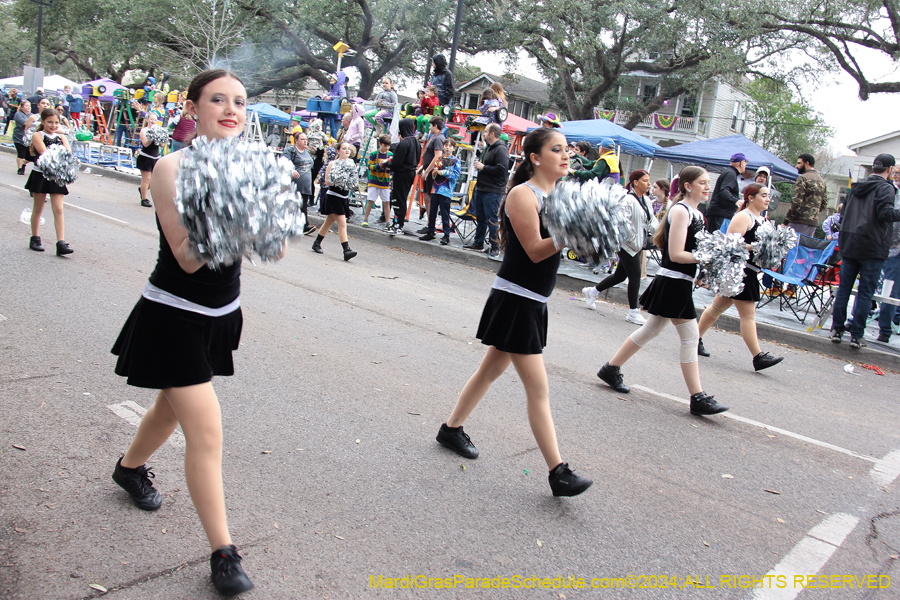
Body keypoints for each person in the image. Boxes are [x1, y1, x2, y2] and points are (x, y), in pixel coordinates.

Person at [109, 69, 255, 597]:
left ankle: (129, 468)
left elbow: (275, 247)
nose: (230, 108)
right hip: (173, 314)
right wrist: (239, 207)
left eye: (239, 100)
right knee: (206, 429)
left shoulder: (245, 165)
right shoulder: (175, 166)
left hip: (222, 315)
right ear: (194, 107)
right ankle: (223, 553)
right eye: (217, 99)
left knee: (170, 410)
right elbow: (189, 258)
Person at [435, 127, 593, 497]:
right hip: (517, 298)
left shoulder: (560, 195)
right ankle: (558, 472)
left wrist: (590, 237)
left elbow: (562, 250)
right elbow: (537, 250)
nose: (566, 155)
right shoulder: (524, 195)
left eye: (567, 149)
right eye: (557, 150)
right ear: (535, 157)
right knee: (538, 389)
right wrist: (573, 232)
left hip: (533, 300)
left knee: (489, 370)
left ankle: (451, 429)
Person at [596, 166, 728, 417]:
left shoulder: (695, 212)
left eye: (708, 182)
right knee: (690, 337)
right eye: (702, 182)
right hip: (674, 281)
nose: (707, 187)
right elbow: (677, 254)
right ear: (688, 186)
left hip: (680, 281)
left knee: (651, 329)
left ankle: (610, 368)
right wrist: (708, 257)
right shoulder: (680, 211)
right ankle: (697, 397)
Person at [696, 184, 785, 370]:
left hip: (749, 269)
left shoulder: (761, 219)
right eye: (764, 195)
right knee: (748, 315)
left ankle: (693, 340)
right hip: (740, 270)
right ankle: (758, 356)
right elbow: (729, 244)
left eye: (769, 196)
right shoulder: (744, 216)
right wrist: (755, 247)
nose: (768, 199)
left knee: (716, 308)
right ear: (751, 197)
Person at [830, 154, 900, 348]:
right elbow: (885, 213)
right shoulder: (886, 188)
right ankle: (856, 335)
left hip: (850, 242)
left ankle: (836, 329)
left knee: (844, 289)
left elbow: (843, 214)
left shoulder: (857, 186)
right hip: (872, 245)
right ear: (890, 169)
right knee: (865, 292)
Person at [583, 170, 657, 324]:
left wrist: (660, 235)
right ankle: (633, 312)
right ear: (635, 182)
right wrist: (630, 240)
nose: (648, 184)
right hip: (627, 245)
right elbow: (622, 222)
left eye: (649, 180)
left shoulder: (646, 200)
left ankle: (592, 292)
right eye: (645, 180)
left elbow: (652, 222)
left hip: (637, 245)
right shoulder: (628, 200)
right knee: (635, 277)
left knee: (620, 276)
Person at [26, 107, 74, 256]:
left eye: (56, 123)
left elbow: (68, 154)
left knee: (58, 209)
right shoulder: (37, 135)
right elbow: (45, 153)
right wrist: (60, 155)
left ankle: (61, 242)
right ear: (42, 121)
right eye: (50, 122)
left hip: (56, 177)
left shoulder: (62, 137)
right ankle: (35, 238)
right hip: (40, 174)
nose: (53, 126)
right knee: (38, 208)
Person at [464, 123, 510, 257]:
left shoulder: (501, 149)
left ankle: (495, 246)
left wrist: (483, 167)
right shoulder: (488, 148)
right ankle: (478, 242)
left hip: (493, 189)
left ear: (492, 134)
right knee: (481, 217)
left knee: (492, 219)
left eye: (485, 132)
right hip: (482, 187)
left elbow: (502, 169)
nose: (483, 134)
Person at [311, 141, 359, 260]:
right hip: (334, 196)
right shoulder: (332, 164)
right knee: (342, 223)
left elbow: (354, 182)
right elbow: (327, 182)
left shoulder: (351, 165)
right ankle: (346, 250)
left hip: (344, 197)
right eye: (344, 148)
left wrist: (350, 182)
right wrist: (339, 180)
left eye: (348, 149)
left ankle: (316, 243)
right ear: (338, 151)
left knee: (328, 222)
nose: (347, 150)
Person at [383, 118, 420, 235]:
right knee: (402, 198)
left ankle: (398, 224)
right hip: (411, 172)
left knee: (397, 199)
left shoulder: (403, 143)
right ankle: (398, 223)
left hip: (401, 173)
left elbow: (396, 163)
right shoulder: (416, 142)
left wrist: (386, 164)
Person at [420, 137, 461, 244]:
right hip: (435, 189)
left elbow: (456, 175)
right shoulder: (439, 159)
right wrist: (434, 173)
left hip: (446, 191)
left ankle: (446, 235)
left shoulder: (455, 161)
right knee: (432, 212)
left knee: (444, 213)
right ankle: (430, 231)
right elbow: (434, 173)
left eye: (450, 146)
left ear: (454, 148)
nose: (447, 148)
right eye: (446, 145)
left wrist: (445, 173)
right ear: (443, 147)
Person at [282, 131, 318, 236]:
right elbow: (284, 162)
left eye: (306, 139)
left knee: (303, 205)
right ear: (296, 140)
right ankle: (298, 225)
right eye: (302, 139)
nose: (305, 141)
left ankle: (303, 226)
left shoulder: (307, 152)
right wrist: (291, 170)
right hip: (294, 184)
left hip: (306, 184)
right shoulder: (291, 151)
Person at [784, 153, 827, 237]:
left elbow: (796, 202)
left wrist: (786, 221)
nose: (796, 166)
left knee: (792, 247)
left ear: (807, 163)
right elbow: (824, 203)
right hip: (813, 223)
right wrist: (813, 213)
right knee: (804, 248)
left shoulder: (803, 178)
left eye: (799, 163)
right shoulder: (822, 181)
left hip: (798, 221)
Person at [704, 153, 746, 233]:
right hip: (720, 215)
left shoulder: (729, 172)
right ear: (742, 163)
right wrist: (736, 201)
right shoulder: (730, 174)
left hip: (718, 214)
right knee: (718, 242)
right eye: (745, 163)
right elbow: (724, 191)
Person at [417, 116, 445, 230]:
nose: (429, 128)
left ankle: (430, 223)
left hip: (432, 172)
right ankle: (429, 222)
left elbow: (437, 156)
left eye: (430, 125)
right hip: (428, 169)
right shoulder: (434, 137)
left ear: (435, 126)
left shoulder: (438, 139)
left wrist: (427, 171)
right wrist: (422, 168)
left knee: (429, 197)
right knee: (427, 196)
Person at [362, 134, 393, 228]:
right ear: (380, 144)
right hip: (374, 181)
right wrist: (379, 166)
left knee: (386, 202)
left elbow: (393, 167)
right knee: (370, 200)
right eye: (384, 145)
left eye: (388, 146)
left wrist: (389, 166)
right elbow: (370, 166)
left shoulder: (391, 155)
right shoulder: (374, 154)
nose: (386, 148)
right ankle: (365, 219)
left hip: (385, 181)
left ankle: (388, 221)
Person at [136, 114, 162, 208]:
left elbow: (162, 145)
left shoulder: (158, 130)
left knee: (152, 182)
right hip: (145, 157)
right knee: (146, 179)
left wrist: (160, 137)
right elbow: (145, 144)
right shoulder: (144, 130)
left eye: (155, 120)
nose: (152, 121)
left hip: (155, 158)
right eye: (151, 119)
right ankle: (144, 199)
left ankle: (142, 189)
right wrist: (152, 137)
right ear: (147, 119)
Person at [13, 100, 31, 175]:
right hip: (19, 137)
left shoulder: (31, 115)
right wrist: (32, 122)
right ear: (22, 107)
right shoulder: (18, 114)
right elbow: (25, 123)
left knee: (30, 156)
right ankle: (20, 168)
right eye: (26, 106)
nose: (28, 107)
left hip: (29, 138)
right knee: (21, 153)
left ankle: (24, 163)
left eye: (29, 106)